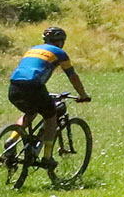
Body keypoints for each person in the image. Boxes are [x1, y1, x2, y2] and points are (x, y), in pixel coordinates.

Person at [7, 26, 90, 169]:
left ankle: (12, 139)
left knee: (31, 111)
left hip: (14, 87)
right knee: (51, 117)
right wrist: (83, 95)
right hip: (35, 86)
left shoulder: (32, 50)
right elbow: (72, 76)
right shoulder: (60, 53)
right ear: (61, 42)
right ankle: (47, 157)